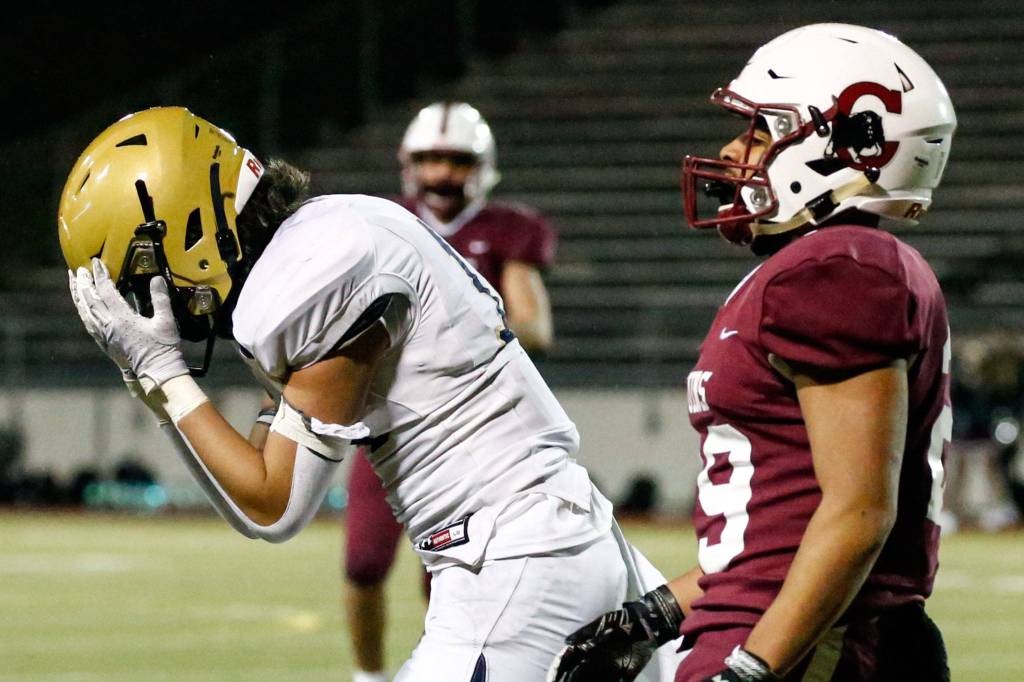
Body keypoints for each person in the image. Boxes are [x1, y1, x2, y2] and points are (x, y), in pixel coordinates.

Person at [59, 106, 681, 681]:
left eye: (139, 266)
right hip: (563, 537)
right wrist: (157, 385)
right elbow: (251, 482)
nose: (147, 291)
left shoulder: (307, 275)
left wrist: (163, 373)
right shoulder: (332, 226)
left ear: (188, 228)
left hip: (513, 566)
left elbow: (272, 508)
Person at [549, 23, 956, 681]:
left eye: (762, 129)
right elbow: (777, 538)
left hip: (810, 646)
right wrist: (654, 616)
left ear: (849, 144)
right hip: (797, 631)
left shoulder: (838, 268)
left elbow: (857, 516)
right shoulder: (828, 265)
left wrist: (751, 670)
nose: (734, 149)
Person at [343, 101, 557, 682]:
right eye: (430, 159)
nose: (440, 173)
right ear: (409, 164)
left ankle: (441, 669)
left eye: (455, 160)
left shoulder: (507, 230)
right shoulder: (382, 222)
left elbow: (535, 327)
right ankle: (368, 677)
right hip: (388, 424)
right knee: (363, 562)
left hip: (472, 432)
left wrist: (455, 327)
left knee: (447, 573)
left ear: (481, 166)